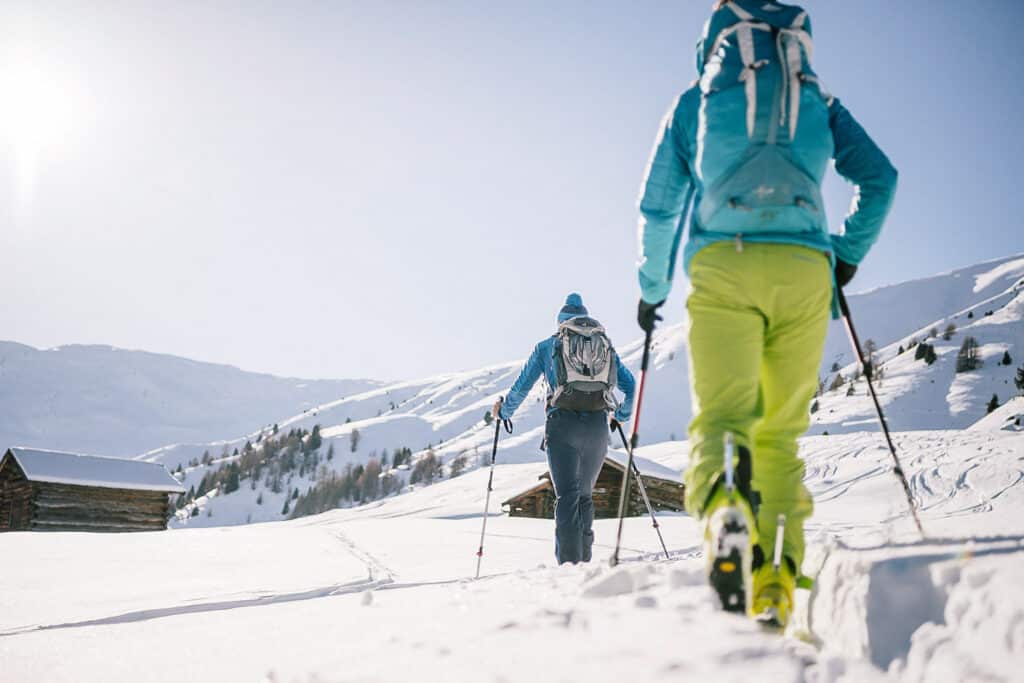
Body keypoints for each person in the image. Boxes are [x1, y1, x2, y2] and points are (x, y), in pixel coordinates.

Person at [634, 0, 896, 625]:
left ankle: (726, 509)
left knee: (724, 416)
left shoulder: (697, 100)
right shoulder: (816, 97)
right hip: (805, 270)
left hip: (723, 265)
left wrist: (651, 289)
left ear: (718, 39)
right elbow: (880, 178)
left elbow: (659, 206)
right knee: (778, 434)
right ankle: (777, 577)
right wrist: (846, 257)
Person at [493, 293, 636, 564]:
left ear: (561, 323)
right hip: (597, 426)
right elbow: (630, 387)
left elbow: (521, 387)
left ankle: (569, 568)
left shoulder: (549, 346)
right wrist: (621, 414)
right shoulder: (603, 347)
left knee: (567, 496)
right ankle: (584, 564)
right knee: (584, 496)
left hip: (562, 425)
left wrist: (504, 411)